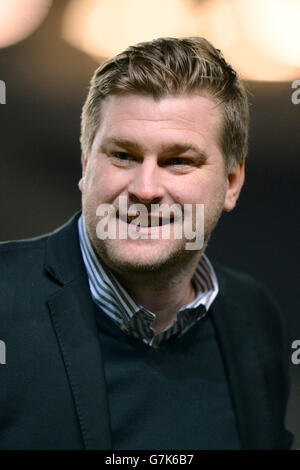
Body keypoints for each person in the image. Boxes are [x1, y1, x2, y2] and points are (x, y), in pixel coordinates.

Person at [0, 37, 293, 450]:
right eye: (123, 155)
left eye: (178, 161)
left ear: (231, 183)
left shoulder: (254, 318)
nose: (146, 188)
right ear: (87, 166)